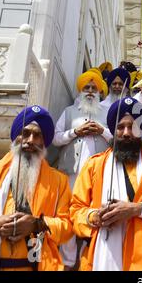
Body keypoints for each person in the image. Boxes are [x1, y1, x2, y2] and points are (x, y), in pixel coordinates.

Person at [0, 106, 73, 271]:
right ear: (16, 137)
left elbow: (67, 226)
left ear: (44, 141)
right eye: (25, 133)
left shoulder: (59, 181)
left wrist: (36, 224)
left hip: (38, 265)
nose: (30, 140)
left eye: (37, 135)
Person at [70, 97, 142, 271]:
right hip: (101, 253)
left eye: (132, 127)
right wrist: (95, 216)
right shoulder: (94, 165)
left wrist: (137, 209)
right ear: (114, 130)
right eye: (120, 127)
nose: (126, 132)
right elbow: (75, 210)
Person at [52, 70, 112, 269]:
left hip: (99, 175)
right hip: (72, 173)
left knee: (94, 213)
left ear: (100, 92)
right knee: (69, 213)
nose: (90, 91)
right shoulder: (69, 111)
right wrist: (74, 132)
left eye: (94, 88)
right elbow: (56, 138)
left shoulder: (107, 112)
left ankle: (91, 259)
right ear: (80, 90)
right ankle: (68, 262)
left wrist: (102, 131)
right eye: (86, 87)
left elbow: (116, 139)